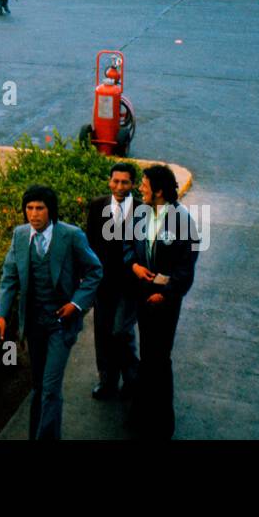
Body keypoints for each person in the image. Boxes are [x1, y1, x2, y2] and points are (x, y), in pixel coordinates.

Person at [0, 184, 103, 440]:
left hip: (60, 326)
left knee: (51, 388)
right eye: (29, 208)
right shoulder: (20, 236)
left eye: (40, 208)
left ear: (50, 210)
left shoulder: (71, 236)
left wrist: (76, 304)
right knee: (39, 386)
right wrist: (1, 316)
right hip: (33, 325)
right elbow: (9, 278)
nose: (34, 214)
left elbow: (95, 271)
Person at [126, 164, 198, 439]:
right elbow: (128, 247)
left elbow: (186, 268)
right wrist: (133, 266)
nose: (140, 189)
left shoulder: (183, 221)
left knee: (160, 358)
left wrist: (166, 294)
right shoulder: (141, 214)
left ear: (158, 191)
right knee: (147, 356)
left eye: (144, 185)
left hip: (165, 301)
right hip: (144, 296)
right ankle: (141, 415)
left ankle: (162, 423)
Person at [85, 162, 142, 400]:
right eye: (115, 181)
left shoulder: (142, 211)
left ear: (134, 184)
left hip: (129, 286)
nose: (119, 186)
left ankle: (132, 379)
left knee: (121, 332)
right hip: (103, 285)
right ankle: (107, 380)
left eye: (125, 182)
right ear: (110, 181)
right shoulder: (98, 207)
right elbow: (88, 245)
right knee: (103, 333)